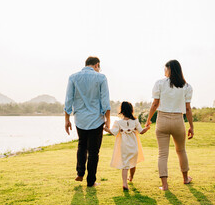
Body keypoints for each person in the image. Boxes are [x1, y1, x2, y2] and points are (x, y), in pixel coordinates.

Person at [145, 59, 194, 191]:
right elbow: (188, 109)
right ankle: (185, 178)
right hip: (178, 120)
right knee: (181, 150)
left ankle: (165, 185)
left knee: (162, 154)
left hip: (162, 120)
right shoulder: (187, 87)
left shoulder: (160, 83)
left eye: (165, 69)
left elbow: (155, 104)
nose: (164, 71)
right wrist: (191, 126)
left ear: (170, 69)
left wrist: (148, 119)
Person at [64, 56, 111, 187]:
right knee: (94, 151)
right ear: (96, 65)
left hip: (80, 119)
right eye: (99, 67)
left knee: (82, 145)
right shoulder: (101, 77)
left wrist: (67, 120)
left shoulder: (73, 77)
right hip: (96, 119)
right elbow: (105, 101)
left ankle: (80, 173)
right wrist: (108, 120)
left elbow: (68, 100)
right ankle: (91, 181)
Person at [104, 101, 150, 190]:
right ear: (131, 110)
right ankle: (131, 177)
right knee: (133, 163)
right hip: (134, 147)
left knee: (125, 165)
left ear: (122, 111)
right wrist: (147, 128)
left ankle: (125, 183)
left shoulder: (118, 122)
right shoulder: (135, 121)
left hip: (124, 147)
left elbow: (113, 132)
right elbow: (141, 131)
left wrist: (106, 129)